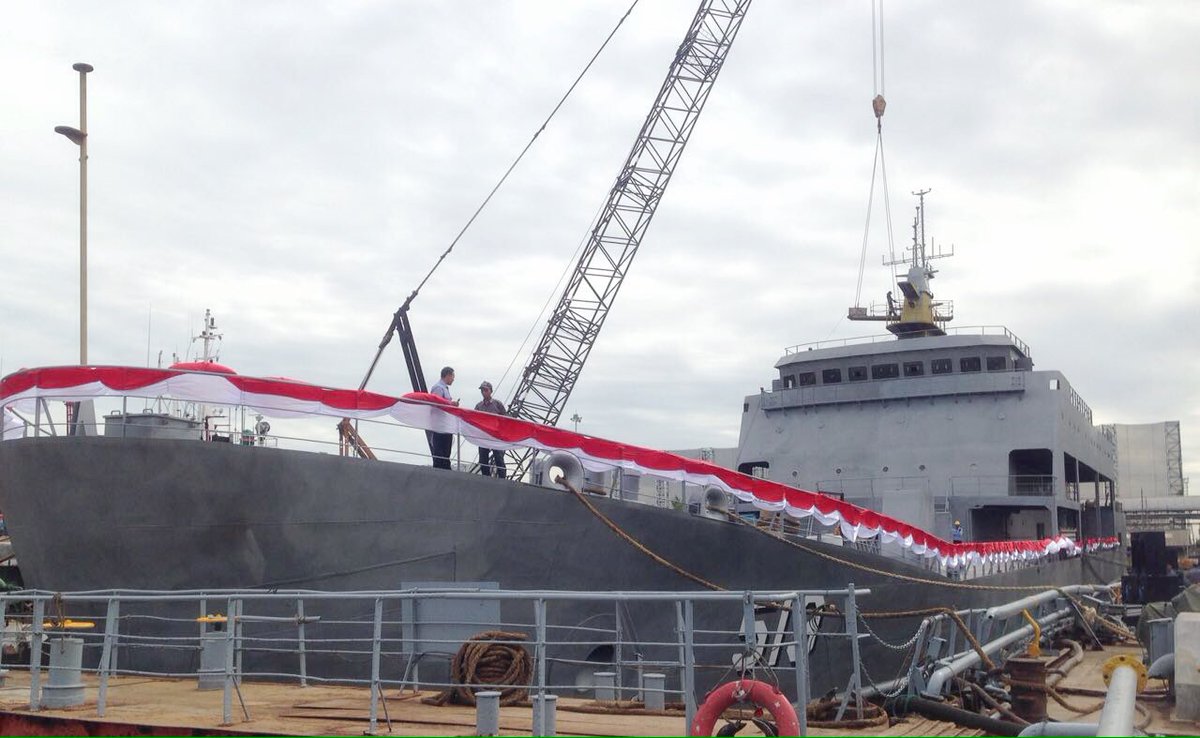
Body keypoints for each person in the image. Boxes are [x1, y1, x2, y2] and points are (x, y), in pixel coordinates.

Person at [474, 381, 507, 479]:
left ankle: (502, 479)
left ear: (490, 391)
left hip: (495, 436)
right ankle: (486, 479)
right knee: (483, 459)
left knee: (499, 458)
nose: (483, 392)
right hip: (483, 436)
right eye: (482, 390)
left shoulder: (498, 404)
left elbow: (505, 419)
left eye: (485, 390)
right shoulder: (478, 406)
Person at [429, 366, 459, 470]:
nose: (453, 379)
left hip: (445, 426)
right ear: (448, 375)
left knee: (446, 453)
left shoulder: (444, 388)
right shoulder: (438, 388)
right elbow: (436, 403)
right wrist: (451, 404)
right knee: (440, 454)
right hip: (439, 426)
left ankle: (446, 471)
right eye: (453, 376)